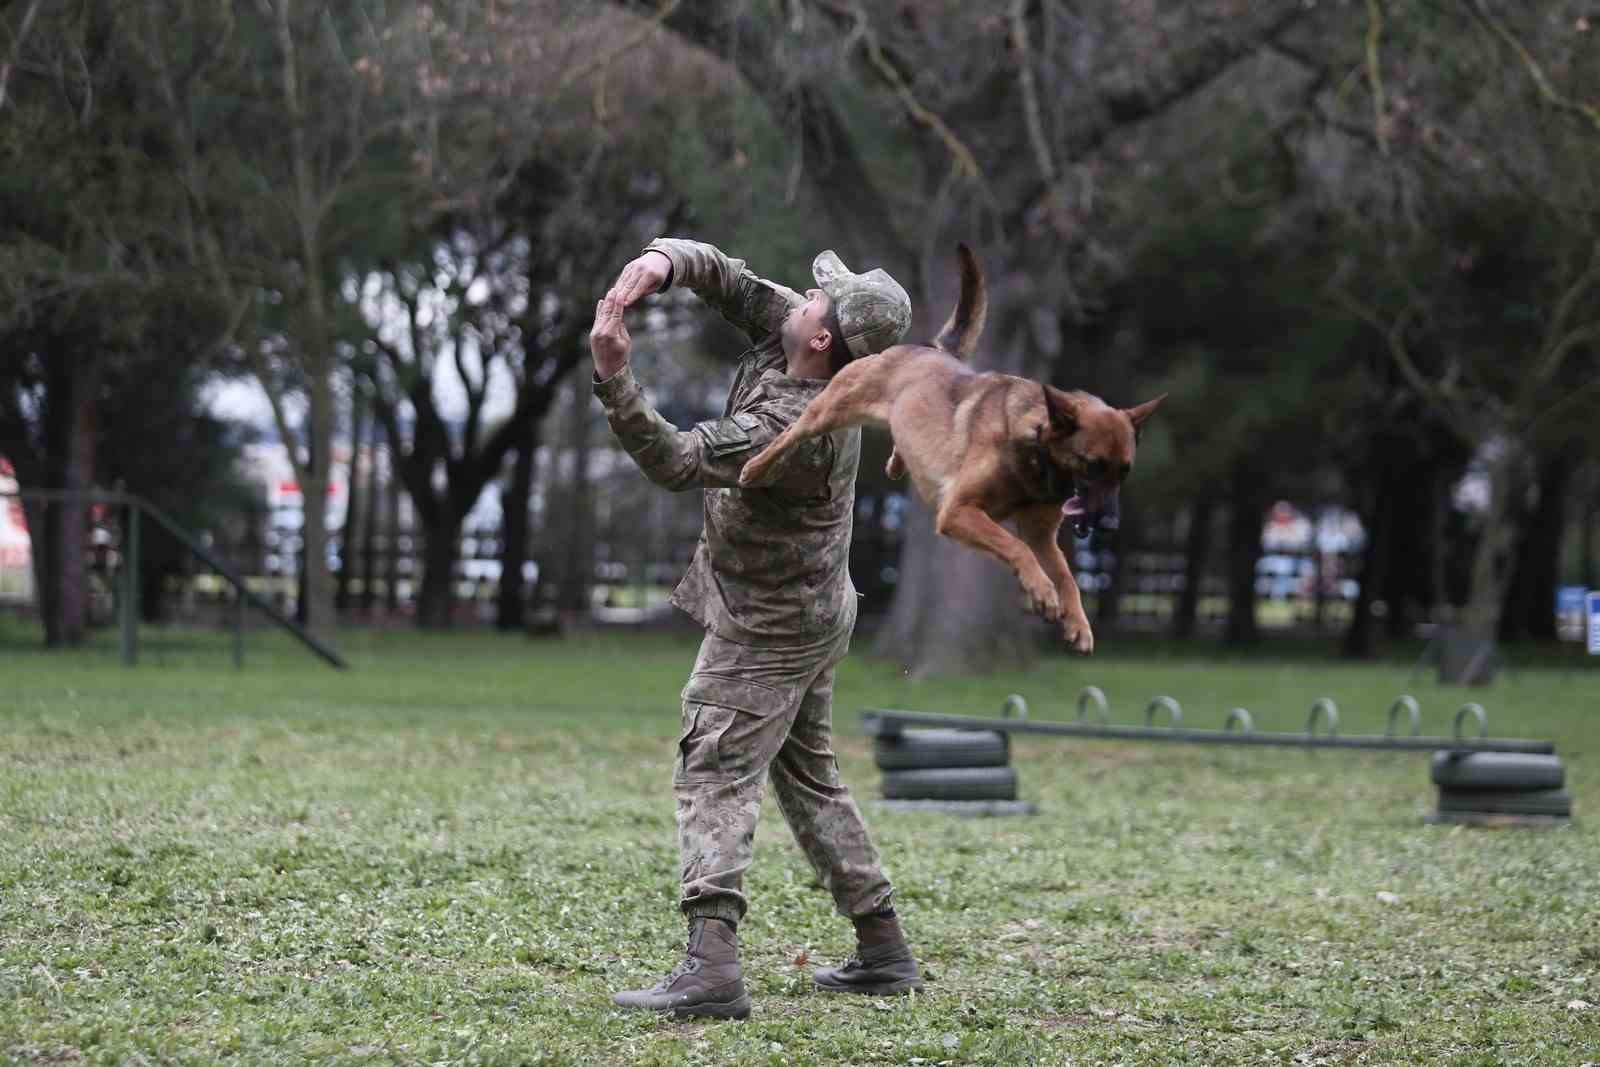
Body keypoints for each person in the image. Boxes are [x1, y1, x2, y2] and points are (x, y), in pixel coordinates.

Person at [589, 238, 921, 1020]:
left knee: (714, 765)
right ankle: (884, 948)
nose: (799, 295)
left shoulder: (797, 424)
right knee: (809, 776)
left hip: (771, 625)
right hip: (809, 608)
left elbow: (674, 460)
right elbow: (731, 280)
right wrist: (665, 261)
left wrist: (613, 374)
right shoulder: (803, 336)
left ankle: (710, 965)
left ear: (821, 340)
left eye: (815, 298)